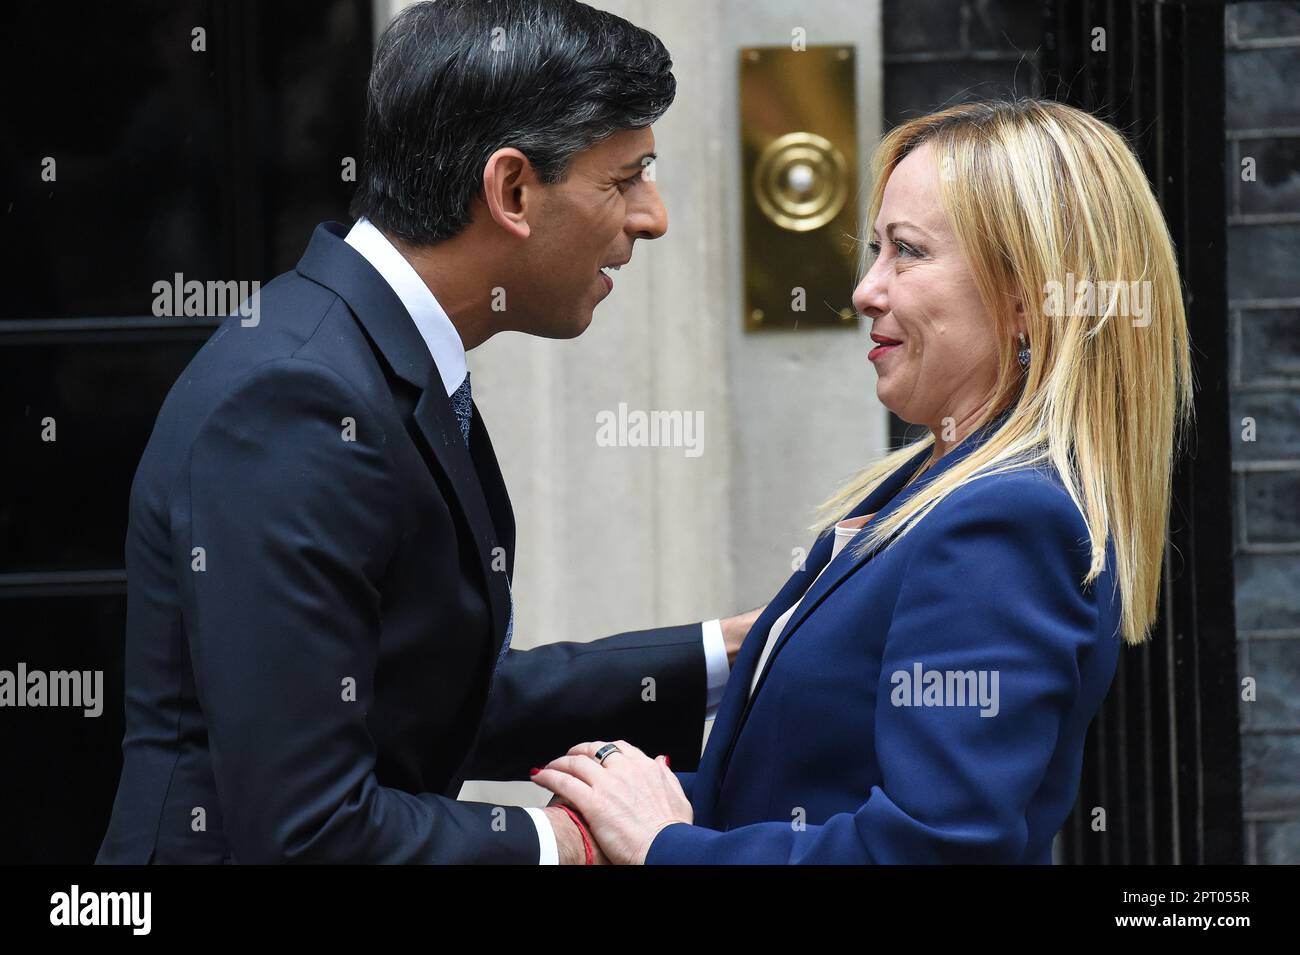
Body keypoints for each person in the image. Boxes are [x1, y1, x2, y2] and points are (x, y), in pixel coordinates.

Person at [96, 0, 762, 865]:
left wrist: (737, 648)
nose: (653, 215)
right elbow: (310, 832)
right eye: (626, 177)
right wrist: (565, 842)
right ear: (513, 190)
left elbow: (429, 697)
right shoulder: (293, 401)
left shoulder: (374, 349)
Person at [532, 98, 1194, 865]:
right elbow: (798, 786)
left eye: (907, 252)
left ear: (1025, 298)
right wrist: (634, 803)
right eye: (875, 249)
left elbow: (929, 850)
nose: (865, 290)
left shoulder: (1006, 520)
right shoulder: (941, 486)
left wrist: (663, 847)